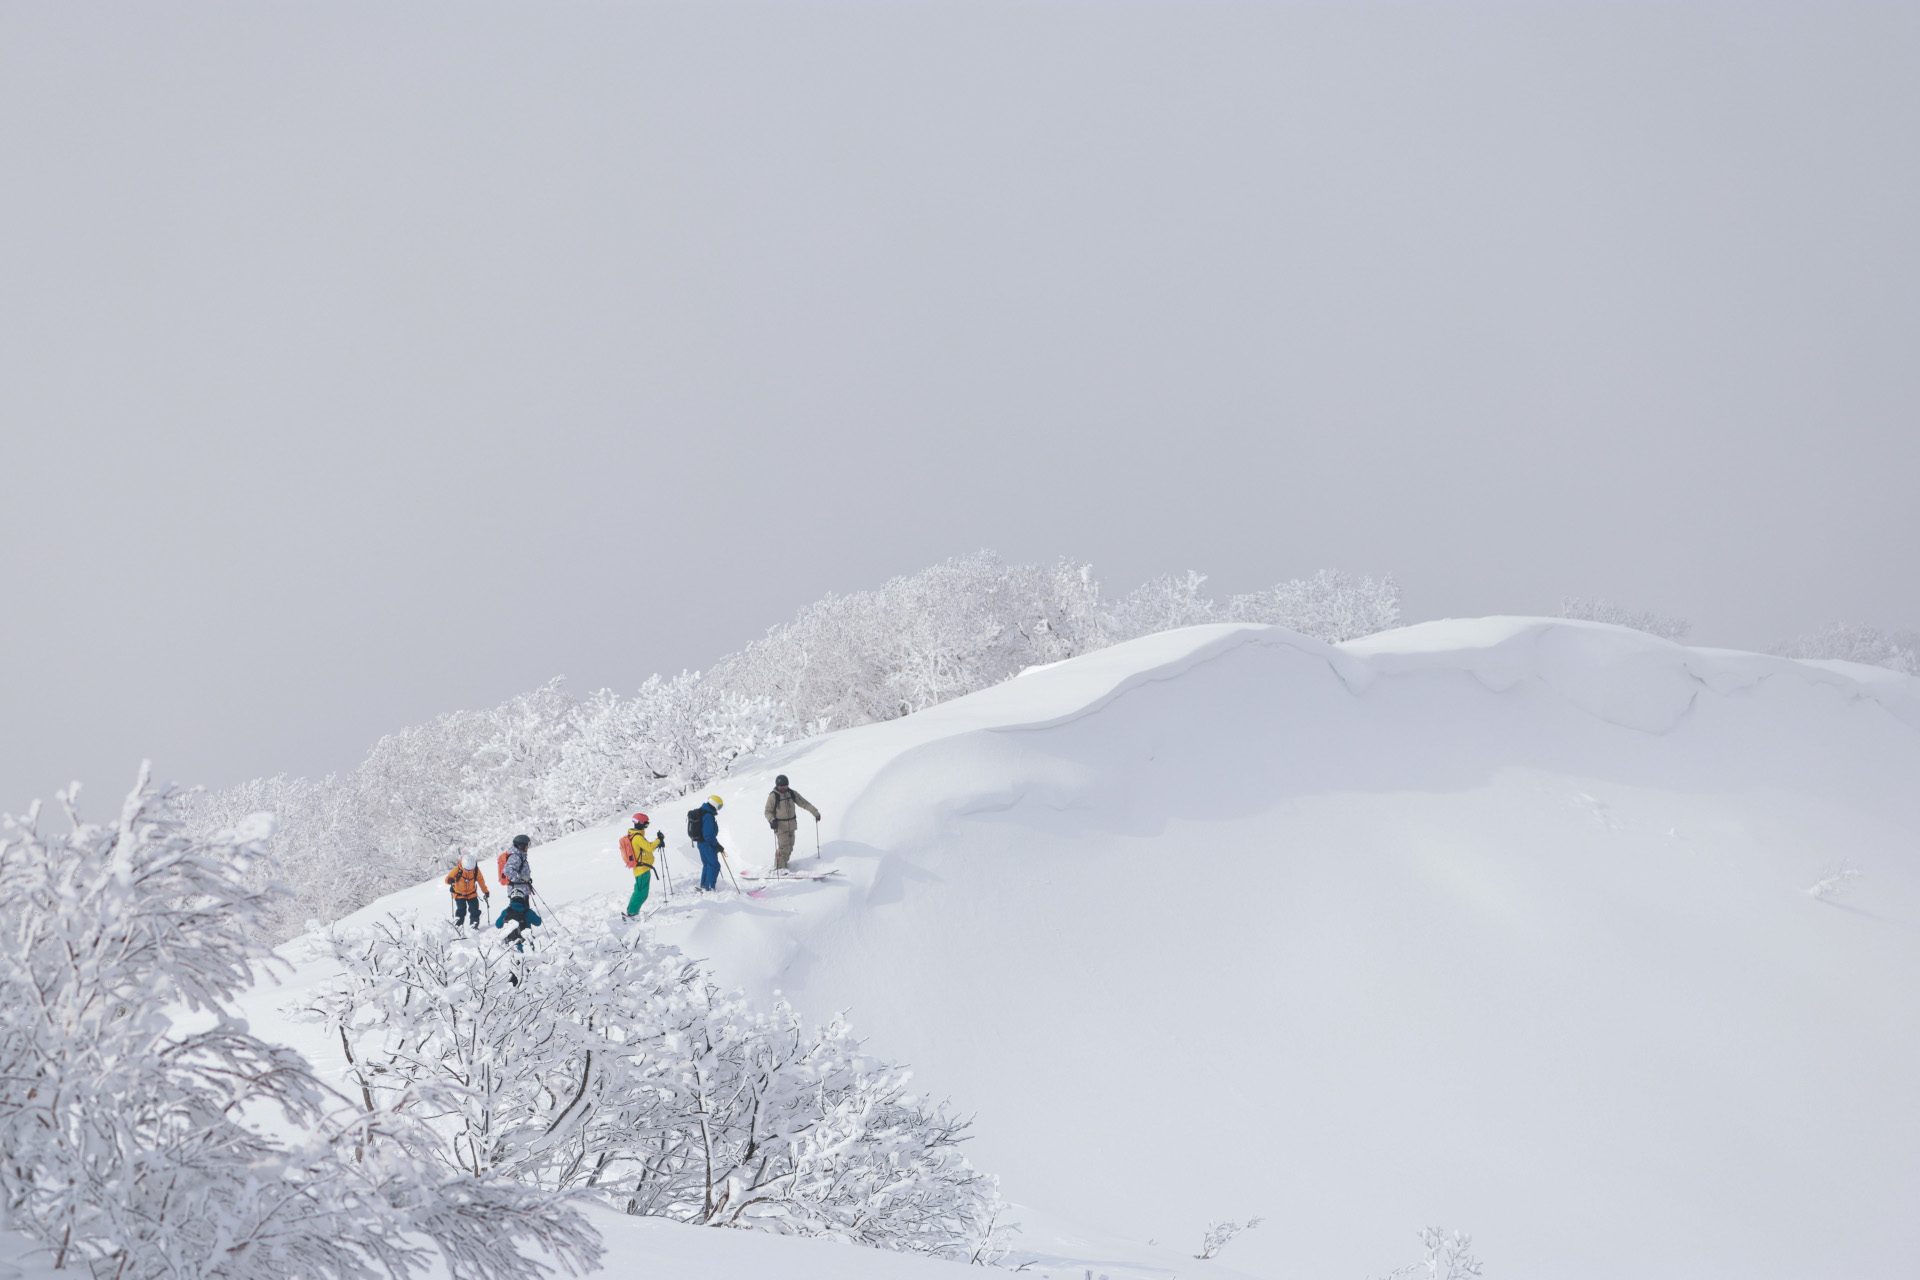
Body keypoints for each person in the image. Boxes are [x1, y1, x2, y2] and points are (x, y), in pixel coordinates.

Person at [763, 774, 822, 872]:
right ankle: (779, 869)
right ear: (777, 786)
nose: (783, 788)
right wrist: (772, 820)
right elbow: (768, 811)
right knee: (784, 847)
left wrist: (815, 813)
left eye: (785, 786)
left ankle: (784, 865)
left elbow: (804, 803)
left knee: (790, 847)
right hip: (780, 826)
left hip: (792, 825)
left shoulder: (792, 793)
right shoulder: (773, 796)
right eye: (781, 786)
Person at [495, 834, 540, 948]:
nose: (528, 847)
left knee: (521, 912)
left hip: (521, 888)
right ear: (521, 846)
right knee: (522, 913)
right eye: (527, 845)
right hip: (518, 890)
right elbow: (508, 870)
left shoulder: (519, 854)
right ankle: (522, 935)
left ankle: (519, 934)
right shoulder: (516, 856)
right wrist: (521, 878)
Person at [620, 813, 662, 917]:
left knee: (639, 890)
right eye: (646, 824)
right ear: (640, 824)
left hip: (640, 868)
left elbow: (645, 848)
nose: (646, 827)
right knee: (641, 893)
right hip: (642, 869)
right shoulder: (638, 838)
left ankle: (631, 910)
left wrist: (658, 843)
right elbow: (650, 847)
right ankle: (632, 913)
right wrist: (659, 839)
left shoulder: (633, 835)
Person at [445, 853, 489, 928]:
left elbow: (481, 881)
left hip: (472, 893)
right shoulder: (457, 869)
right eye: (467, 870)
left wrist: (485, 891)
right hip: (459, 894)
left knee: (475, 911)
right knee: (461, 911)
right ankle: (458, 928)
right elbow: (447, 879)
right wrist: (450, 880)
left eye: (470, 869)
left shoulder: (476, 870)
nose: (469, 871)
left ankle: (474, 927)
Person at [693, 795, 725, 891]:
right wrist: (717, 844)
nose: (719, 809)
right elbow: (708, 835)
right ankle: (710, 887)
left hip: (702, 844)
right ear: (714, 804)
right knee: (714, 865)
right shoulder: (708, 816)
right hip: (707, 845)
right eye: (719, 806)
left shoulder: (704, 812)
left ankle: (704, 885)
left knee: (707, 865)